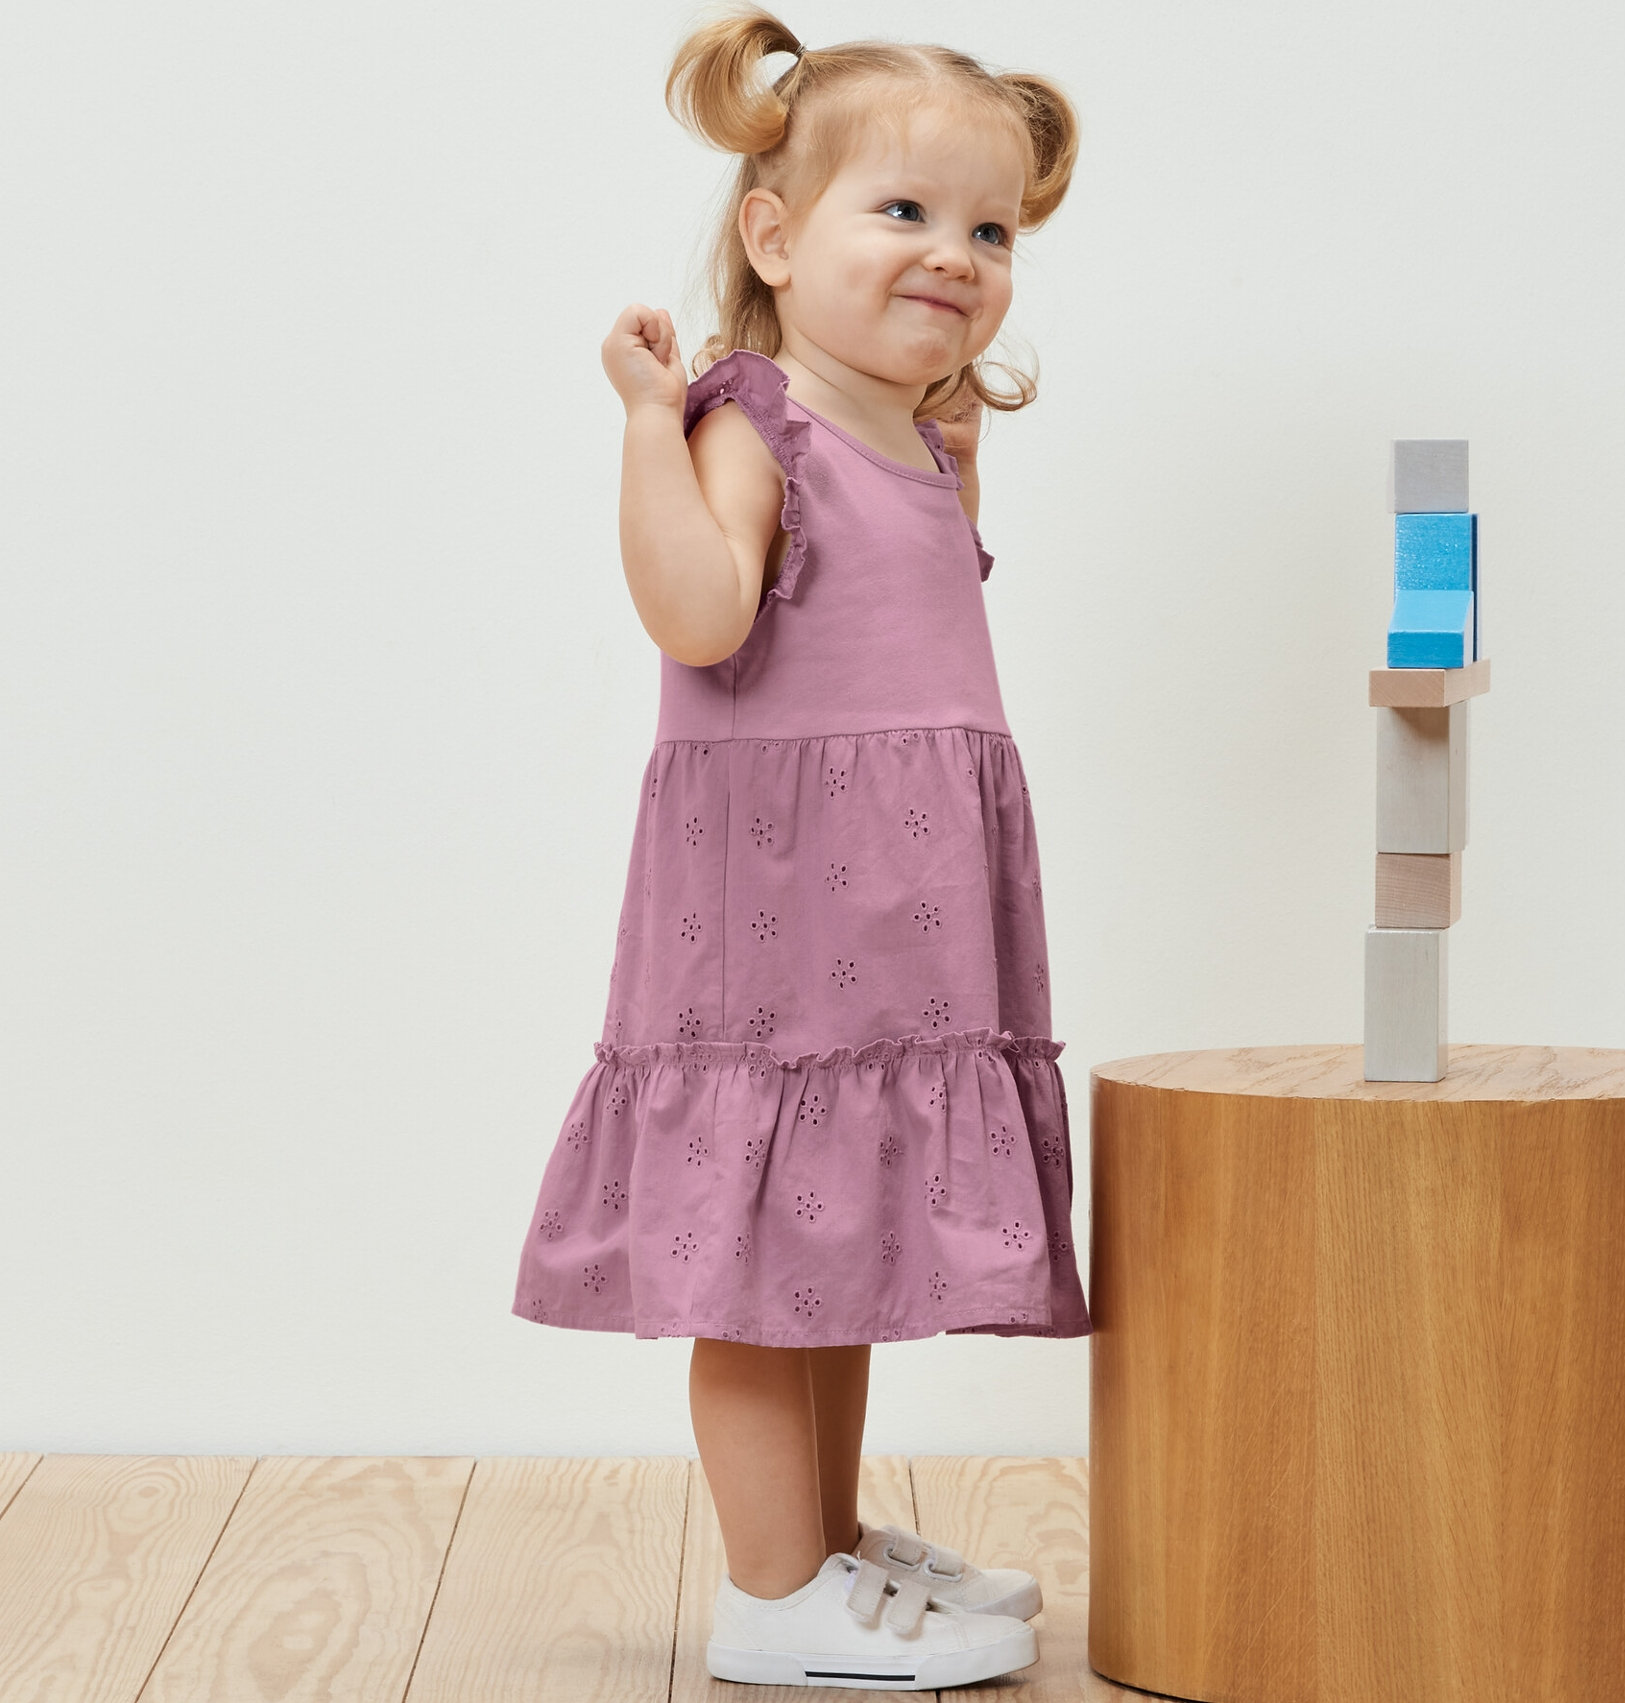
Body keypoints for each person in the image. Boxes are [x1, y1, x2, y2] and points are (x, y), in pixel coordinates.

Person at [510, 6, 1088, 1688]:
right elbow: (699, 618)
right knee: (767, 1254)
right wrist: (645, 423)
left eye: (988, 231)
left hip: (899, 903)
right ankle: (772, 1598)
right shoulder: (752, 417)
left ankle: (825, 1554)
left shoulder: (915, 433)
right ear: (773, 234)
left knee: (835, 1246)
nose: (957, 256)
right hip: (778, 907)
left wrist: (961, 477)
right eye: (902, 213)